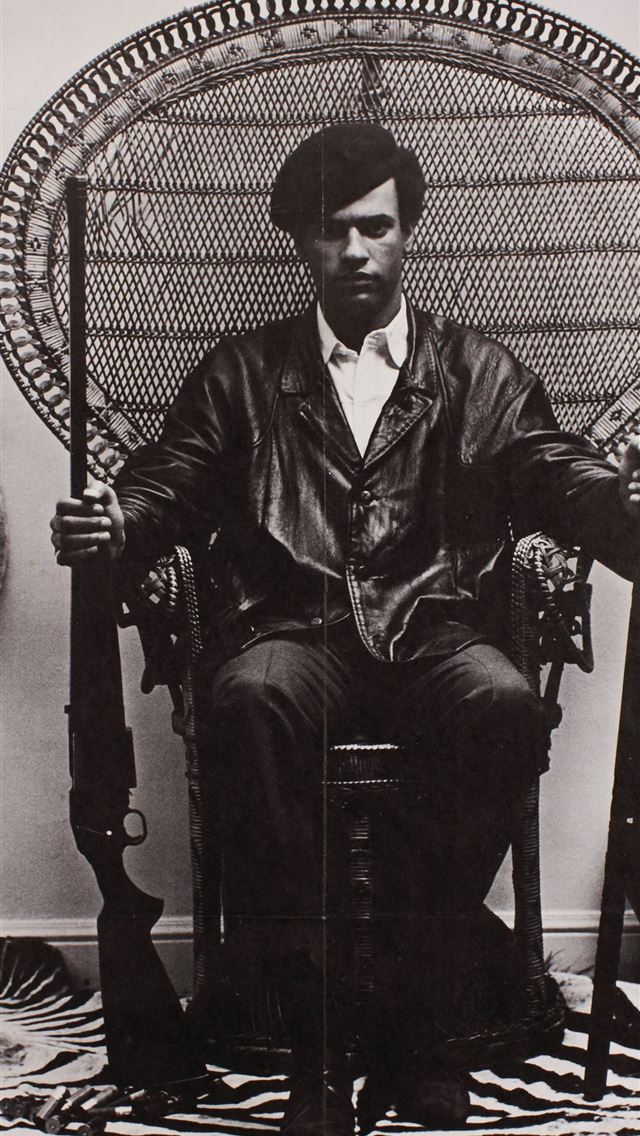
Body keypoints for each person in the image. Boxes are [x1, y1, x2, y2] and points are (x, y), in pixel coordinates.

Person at [51, 123, 640, 1134]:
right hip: (291, 630)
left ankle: (421, 1024)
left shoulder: (482, 372)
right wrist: (117, 524)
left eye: (377, 227)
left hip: (436, 629)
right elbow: (167, 482)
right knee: (249, 697)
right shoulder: (239, 373)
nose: (356, 250)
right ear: (302, 242)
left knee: (503, 702)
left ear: (410, 233)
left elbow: (555, 471)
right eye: (334, 230)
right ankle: (317, 1049)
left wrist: (620, 506)